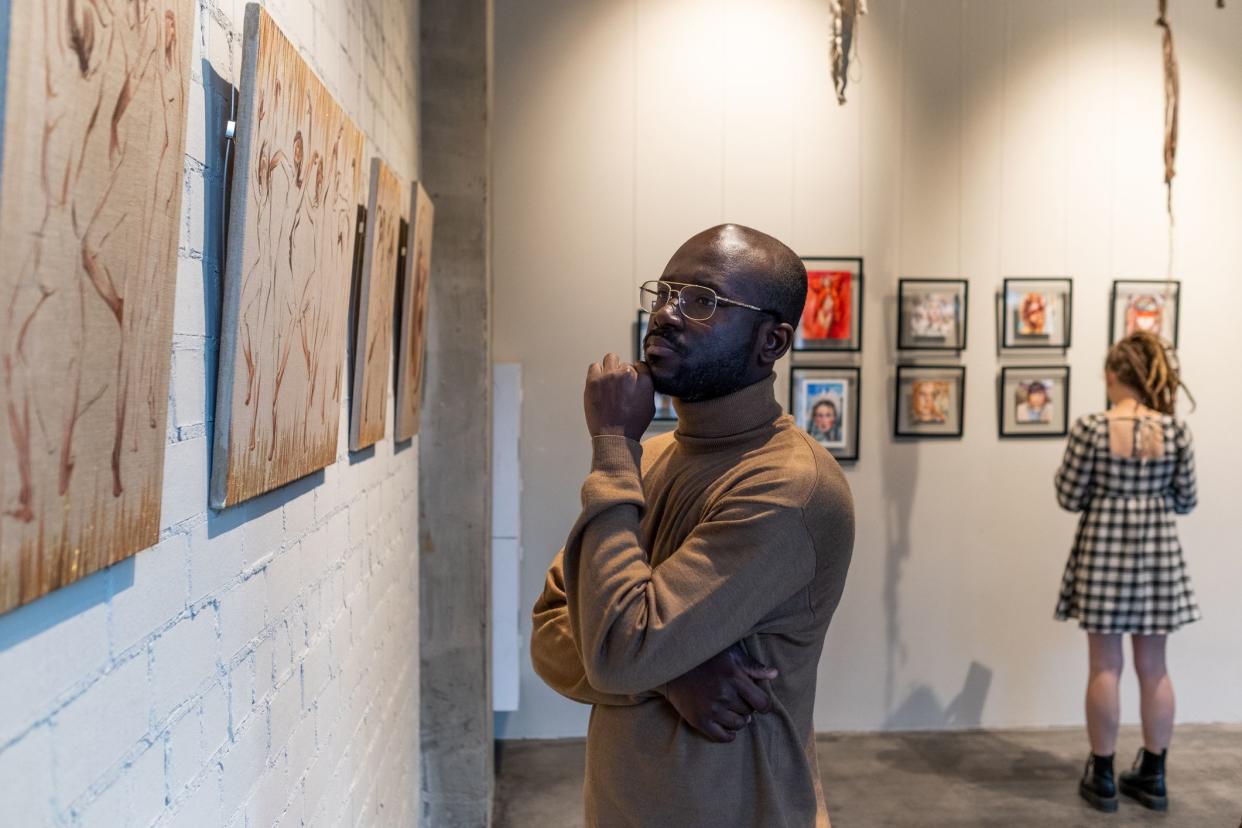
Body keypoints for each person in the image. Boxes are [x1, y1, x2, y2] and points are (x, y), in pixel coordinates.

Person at [530, 224, 855, 827]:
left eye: (702, 301)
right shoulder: (646, 460)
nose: (667, 315)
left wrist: (609, 443)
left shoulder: (791, 486)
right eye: (664, 293)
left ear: (772, 341)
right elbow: (550, 630)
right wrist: (671, 674)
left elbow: (618, 651)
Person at [1054, 331, 1199, 814]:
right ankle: (1154, 776)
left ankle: (1104, 777)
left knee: (1105, 666)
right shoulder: (1174, 430)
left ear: (1114, 375)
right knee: (1154, 668)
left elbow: (1070, 496)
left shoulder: (1091, 427)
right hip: (1157, 554)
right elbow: (1186, 500)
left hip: (1103, 552)